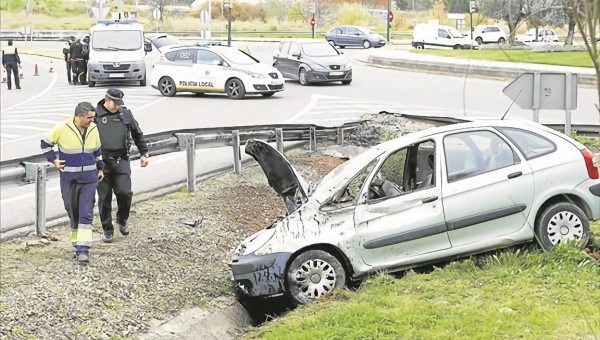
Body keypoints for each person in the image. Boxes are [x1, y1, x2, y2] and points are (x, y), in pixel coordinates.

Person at [40, 102, 104, 263]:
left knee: (86, 212)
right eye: (89, 118)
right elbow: (45, 143)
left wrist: (100, 169)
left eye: (93, 117)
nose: (92, 120)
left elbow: (97, 150)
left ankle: (84, 249)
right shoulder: (62, 128)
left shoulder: (93, 129)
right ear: (79, 116)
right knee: (72, 210)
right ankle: (76, 244)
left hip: (89, 179)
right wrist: (53, 160)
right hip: (69, 179)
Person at [95, 88, 149, 243]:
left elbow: (138, 133)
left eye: (120, 103)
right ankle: (107, 230)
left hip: (121, 160)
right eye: (115, 103)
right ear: (106, 100)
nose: (117, 106)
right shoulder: (95, 115)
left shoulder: (125, 114)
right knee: (104, 199)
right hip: (102, 163)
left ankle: (122, 219)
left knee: (125, 193)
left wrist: (144, 153)